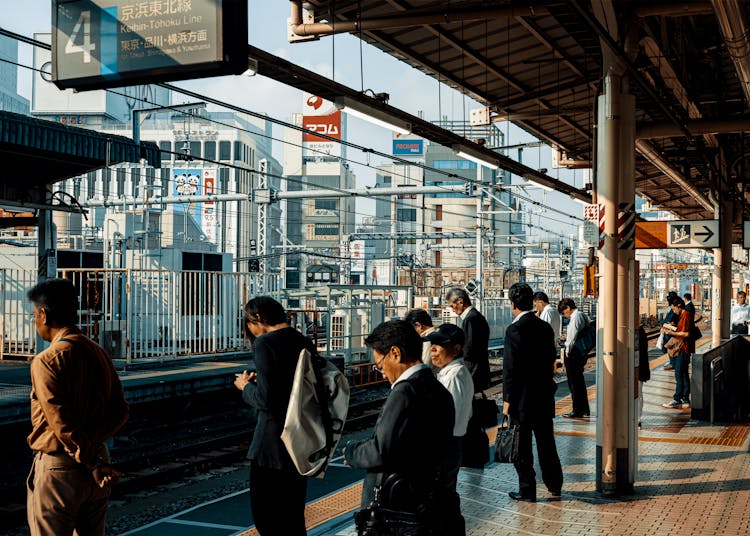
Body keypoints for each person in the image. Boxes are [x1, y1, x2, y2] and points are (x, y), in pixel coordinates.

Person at [26, 278, 129, 536]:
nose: (34, 321)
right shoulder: (97, 352)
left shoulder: (46, 361)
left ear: (43, 314)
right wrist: (96, 450)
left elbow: (60, 423)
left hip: (62, 468)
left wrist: (91, 460)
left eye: (34, 315)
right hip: (98, 466)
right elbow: (121, 410)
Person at [344, 320, 458, 534]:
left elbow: (381, 450)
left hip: (399, 511)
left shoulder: (405, 392)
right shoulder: (438, 389)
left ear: (395, 353)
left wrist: (351, 451)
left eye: (380, 365)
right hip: (428, 502)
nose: (383, 373)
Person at [233, 296, 311, 536]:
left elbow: (266, 400)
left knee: (267, 519)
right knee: (293, 518)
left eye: (248, 323)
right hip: (299, 443)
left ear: (257, 318)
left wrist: (245, 386)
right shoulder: (303, 341)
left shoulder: (265, 343)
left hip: (271, 447)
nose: (249, 330)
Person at [503, 283, 563, 502]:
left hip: (521, 399)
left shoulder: (514, 330)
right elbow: (550, 361)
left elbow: (511, 368)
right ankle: (555, 485)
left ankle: (527, 490)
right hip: (544, 395)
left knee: (522, 446)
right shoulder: (544, 328)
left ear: (513, 304)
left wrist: (507, 399)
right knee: (547, 442)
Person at [423, 323, 474, 491]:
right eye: (432, 346)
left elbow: (446, 418)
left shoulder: (454, 376)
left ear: (456, 348)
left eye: (439, 346)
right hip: (449, 445)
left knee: (440, 496)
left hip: (445, 446)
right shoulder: (452, 372)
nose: (433, 350)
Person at [446, 287, 490, 391]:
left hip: (473, 368)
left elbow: (469, 347)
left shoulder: (471, 319)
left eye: (452, 306)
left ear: (460, 302)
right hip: (477, 367)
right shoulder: (475, 316)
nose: (452, 310)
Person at [558, 298, 591, 418]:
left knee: (574, 383)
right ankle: (583, 409)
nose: (564, 315)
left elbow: (572, 337)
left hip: (574, 353)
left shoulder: (576, 316)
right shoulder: (581, 314)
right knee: (579, 382)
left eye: (563, 312)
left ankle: (577, 410)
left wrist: (567, 349)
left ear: (567, 307)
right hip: (578, 352)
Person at [661, 297, 694, 409]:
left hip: (683, 348)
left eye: (674, 309)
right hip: (684, 348)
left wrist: (671, 332)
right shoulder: (684, 315)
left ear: (679, 306)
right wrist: (673, 327)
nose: (674, 311)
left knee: (679, 373)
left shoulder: (686, 315)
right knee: (683, 373)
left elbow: (686, 334)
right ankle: (685, 398)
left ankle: (677, 398)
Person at [637, 323, 651, 427]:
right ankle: (637, 418)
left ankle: (637, 418)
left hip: (638, 368)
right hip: (640, 368)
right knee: (639, 393)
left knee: (638, 394)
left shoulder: (638, 333)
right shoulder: (640, 332)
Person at [662, 291, 679, 370]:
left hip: (670, 332)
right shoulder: (671, 308)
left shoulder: (674, 309)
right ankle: (672, 362)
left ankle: (673, 363)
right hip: (668, 331)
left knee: (671, 348)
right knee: (670, 347)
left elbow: (669, 320)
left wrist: (665, 323)